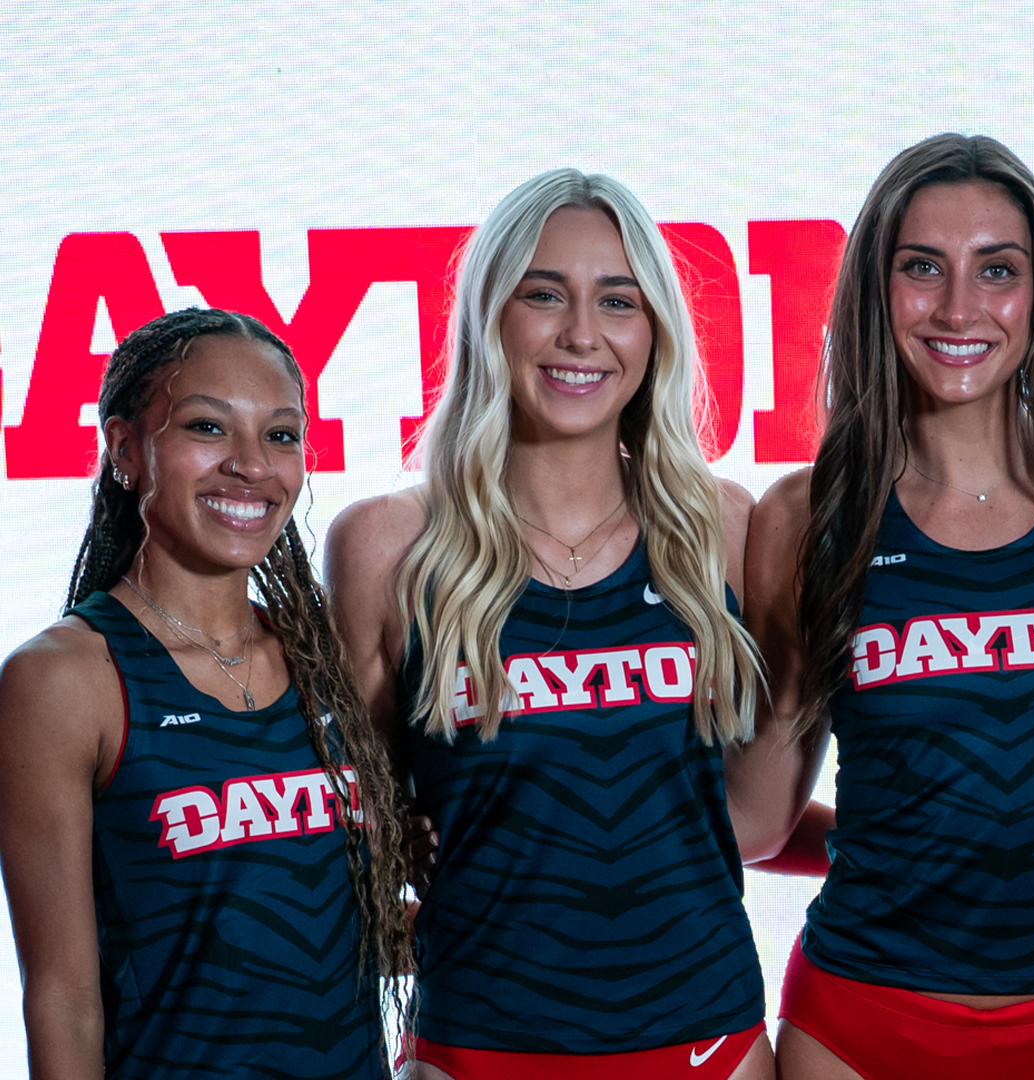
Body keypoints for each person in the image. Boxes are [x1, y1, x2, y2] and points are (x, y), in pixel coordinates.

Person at [729, 133, 1034, 1080]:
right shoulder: (806, 516)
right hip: (858, 1026)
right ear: (874, 288)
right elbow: (760, 816)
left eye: (998, 270)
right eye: (922, 268)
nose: (958, 309)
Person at [325, 169, 771, 1080]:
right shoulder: (386, 545)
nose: (581, 334)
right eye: (544, 294)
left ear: (655, 330)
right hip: (477, 1050)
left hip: (708, 1047)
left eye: (618, 299)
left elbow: (744, 808)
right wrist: (395, 867)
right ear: (490, 315)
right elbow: (344, 825)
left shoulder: (723, 530)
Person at [0, 308, 411, 1077]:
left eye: (281, 435)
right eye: (208, 428)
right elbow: (61, 995)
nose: (253, 465)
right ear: (125, 450)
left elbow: (335, 923)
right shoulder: (65, 678)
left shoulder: (321, 656)